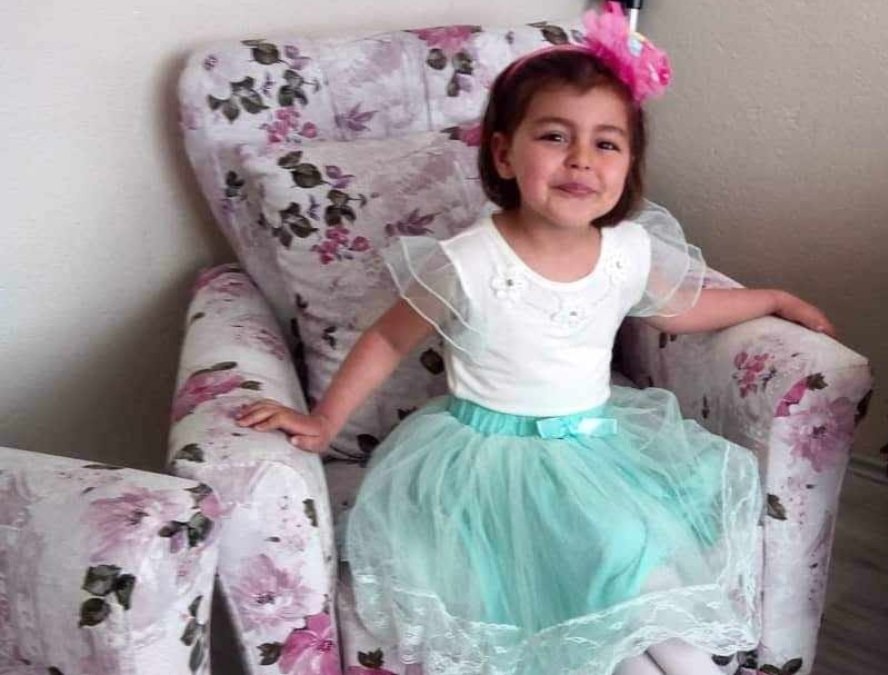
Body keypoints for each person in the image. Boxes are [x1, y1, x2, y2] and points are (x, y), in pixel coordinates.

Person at [236, 3, 834, 674]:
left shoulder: (626, 251)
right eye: (555, 136)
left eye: (606, 143)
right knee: (591, 609)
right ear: (503, 152)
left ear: (629, 163)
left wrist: (772, 298)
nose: (581, 159)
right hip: (487, 468)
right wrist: (323, 421)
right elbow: (385, 341)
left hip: (598, 454)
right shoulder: (469, 261)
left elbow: (684, 310)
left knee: (653, 586)